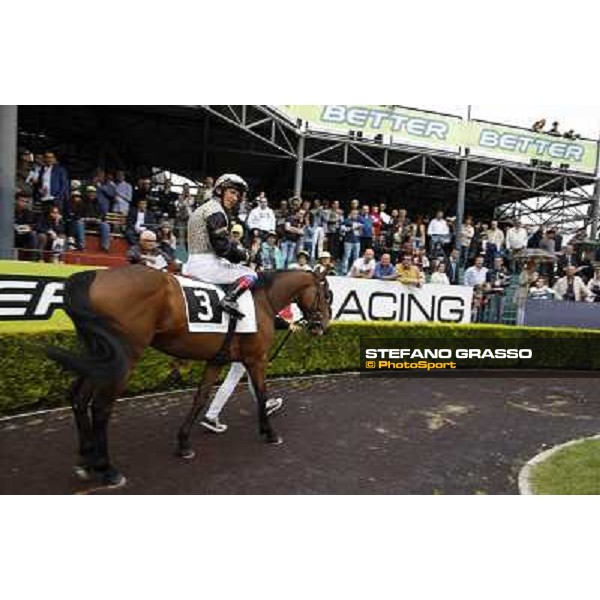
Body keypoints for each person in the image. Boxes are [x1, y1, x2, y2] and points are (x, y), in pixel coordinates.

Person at [199, 314, 302, 433]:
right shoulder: (253, 300)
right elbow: (264, 317)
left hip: (239, 345)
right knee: (233, 379)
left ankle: (265, 405)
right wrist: (288, 325)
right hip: (248, 348)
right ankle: (211, 415)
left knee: (252, 378)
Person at [183, 174, 256, 319]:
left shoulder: (204, 208)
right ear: (220, 191)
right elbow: (222, 249)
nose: (235, 198)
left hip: (192, 262)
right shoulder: (216, 211)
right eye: (232, 192)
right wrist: (246, 255)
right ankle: (229, 300)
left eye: (238, 195)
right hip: (206, 265)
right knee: (251, 274)